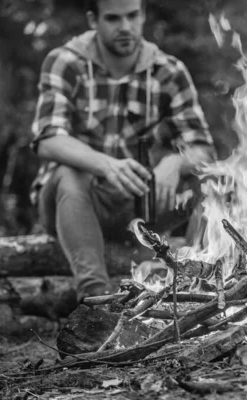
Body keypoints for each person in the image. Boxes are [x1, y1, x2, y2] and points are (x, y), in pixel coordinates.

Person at [30, 0, 215, 301]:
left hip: (138, 206)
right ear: (94, 20)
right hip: (73, 202)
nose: (125, 27)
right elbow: (47, 139)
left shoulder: (169, 70)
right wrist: (104, 165)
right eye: (114, 19)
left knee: (211, 181)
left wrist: (174, 162)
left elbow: (204, 149)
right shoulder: (65, 61)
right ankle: (95, 299)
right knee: (70, 173)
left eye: (132, 16)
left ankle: (195, 289)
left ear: (142, 16)